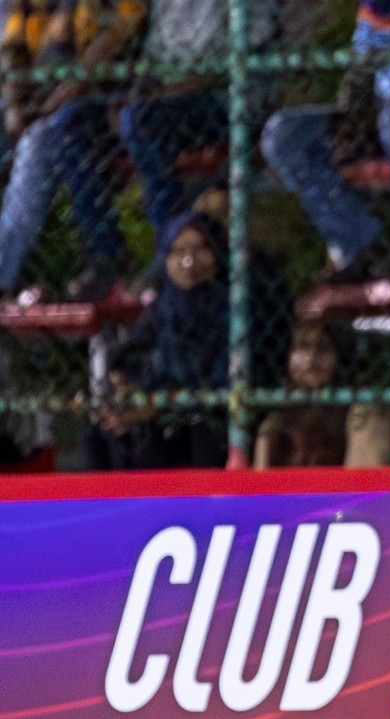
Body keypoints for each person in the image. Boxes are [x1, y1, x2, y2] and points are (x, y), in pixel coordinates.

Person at [259, 0, 390, 286]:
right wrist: (349, 115)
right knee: (283, 136)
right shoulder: (378, 5)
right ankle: (359, 245)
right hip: (376, 109)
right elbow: (361, 68)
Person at [0, 0, 145, 299]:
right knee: (34, 133)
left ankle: (105, 256)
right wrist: (15, 106)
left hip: (107, 102)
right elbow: (12, 49)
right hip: (43, 103)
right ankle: (7, 272)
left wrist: (58, 99)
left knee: (51, 133)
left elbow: (115, 36)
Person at [118, 0, 279, 244]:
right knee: (96, 119)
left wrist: (174, 88)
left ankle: (171, 236)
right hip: (174, 100)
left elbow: (233, 63)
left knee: (139, 120)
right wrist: (143, 91)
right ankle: (174, 230)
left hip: (233, 99)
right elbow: (153, 59)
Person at [83, 210, 231, 469]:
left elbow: (219, 379)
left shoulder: (230, 305)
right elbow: (132, 352)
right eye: (178, 250)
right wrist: (124, 383)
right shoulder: (164, 305)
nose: (188, 260)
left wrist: (156, 406)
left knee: (200, 435)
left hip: (207, 410)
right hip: (156, 403)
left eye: (200, 248)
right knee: (99, 431)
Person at [253, 320, 353, 469]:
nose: (312, 358)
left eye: (323, 348)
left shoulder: (350, 414)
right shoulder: (276, 421)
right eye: (303, 347)